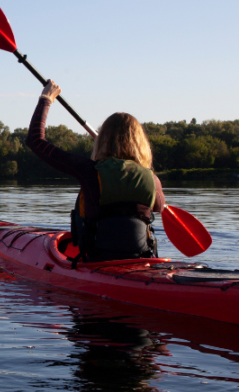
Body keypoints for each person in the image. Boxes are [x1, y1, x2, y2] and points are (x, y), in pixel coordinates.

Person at [25, 80, 165, 262]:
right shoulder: (152, 180)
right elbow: (159, 207)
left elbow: (35, 140)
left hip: (97, 261)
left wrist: (46, 99)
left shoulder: (89, 171)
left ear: (102, 140)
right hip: (140, 260)